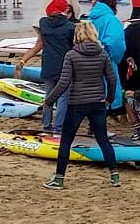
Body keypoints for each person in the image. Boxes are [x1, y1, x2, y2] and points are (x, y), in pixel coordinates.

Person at [42, 21, 119, 190]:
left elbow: (63, 83)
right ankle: (114, 175)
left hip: (77, 102)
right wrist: (110, 98)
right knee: (103, 139)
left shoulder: (71, 55)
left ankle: (59, 178)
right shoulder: (102, 54)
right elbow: (112, 79)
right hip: (98, 102)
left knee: (66, 141)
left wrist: (49, 100)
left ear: (78, 35)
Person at [18, 0, 75, 132]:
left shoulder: (43, 24)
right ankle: (59, 127)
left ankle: (46, 124)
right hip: (64, 66)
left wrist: (22, 61)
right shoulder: (69, 27)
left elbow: (39, 44)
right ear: (64, 10)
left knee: (49, 96)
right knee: (63, 97)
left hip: (48, 66)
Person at [89, 0, 126, 114]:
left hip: (87, 59)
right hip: (106, 60)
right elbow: (116, 42)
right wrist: (116, 58)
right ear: (112, 4)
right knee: (107, 91)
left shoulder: (89, 19)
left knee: (92, 92)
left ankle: (92, 124)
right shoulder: (111, 20)